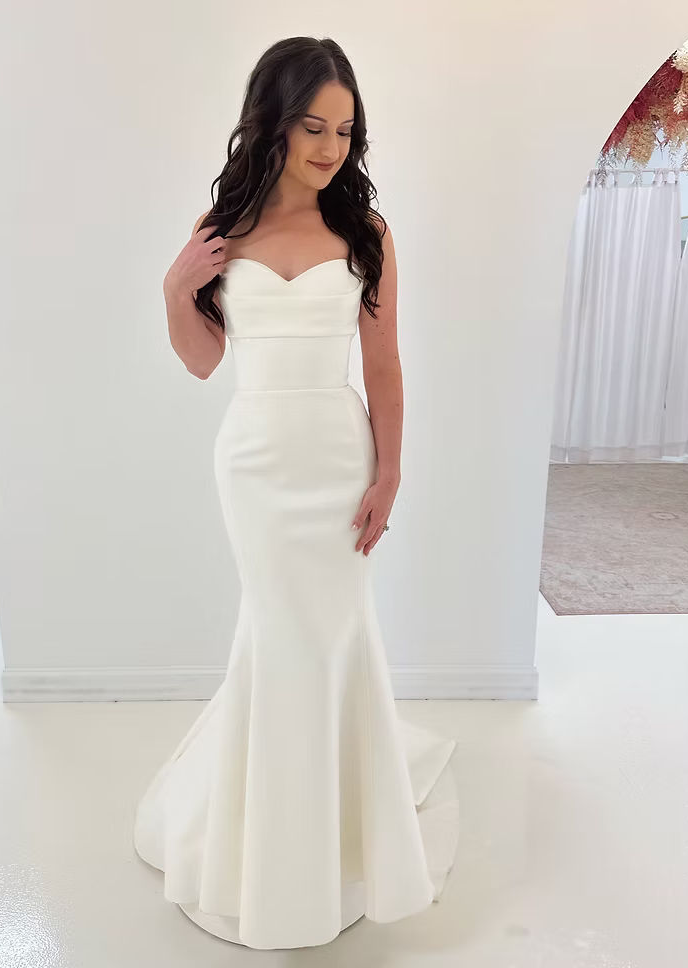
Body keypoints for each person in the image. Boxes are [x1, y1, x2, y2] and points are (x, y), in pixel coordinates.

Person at [133, 35, 459, 951]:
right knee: (281, 641)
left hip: (337, 459)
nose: (331, 147)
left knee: (329, 639)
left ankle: (331, 846)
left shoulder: (365, 234)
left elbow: (385, 367)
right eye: (314, 125)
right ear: (271, 122)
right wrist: (173, 290)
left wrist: (390, 474)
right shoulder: (221, 235)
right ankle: (271, 855)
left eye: (346, 131)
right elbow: (204, 363)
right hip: (254, 461)